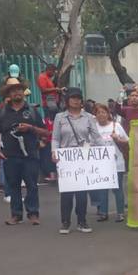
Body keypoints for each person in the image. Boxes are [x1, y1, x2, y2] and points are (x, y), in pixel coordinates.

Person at [0, 78, 48, 225]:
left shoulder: (32, 111)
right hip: (10, 155)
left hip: (30, 154)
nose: (16, 92)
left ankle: (33, 213)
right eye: (13, 90)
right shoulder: (3, 112)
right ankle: (16, 215)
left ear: (23, 92)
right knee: (13, 185)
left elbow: (45, 132)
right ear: (9, 94)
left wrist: (30, 128)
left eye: (19, 89)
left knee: (32, 185)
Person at [51, 88, 103, 234]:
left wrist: (106, 151)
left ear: (82, 101)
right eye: (72, 98)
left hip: (84, 157)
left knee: (82, 193)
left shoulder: (89, 117)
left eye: (78, 98)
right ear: (67, 100)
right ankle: (65, 222)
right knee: (66, 192)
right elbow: (55, 138)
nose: (76, 100)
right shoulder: (60, 117)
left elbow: (96, 137)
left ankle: (82, 221)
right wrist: (54, 152)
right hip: (66, 159)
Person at [94, 103, 130, 222]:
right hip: (100, 163)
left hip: (116, 162)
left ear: (108, 114)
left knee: (117, 188)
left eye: (103, 112)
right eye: (98, 113)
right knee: (102, 188)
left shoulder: (116, 126)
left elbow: (127, 141)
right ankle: (103, 212)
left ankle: (120, 213)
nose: (101, 115)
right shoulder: (93, 128)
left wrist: (117, 139)